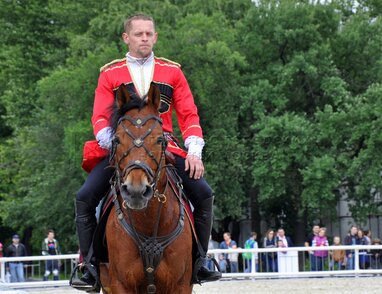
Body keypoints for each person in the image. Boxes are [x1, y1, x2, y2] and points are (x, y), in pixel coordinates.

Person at [71, 13, 221, 290]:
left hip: (163, 148)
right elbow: (100, 117)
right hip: (122, 149)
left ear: (155, 37)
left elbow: (189, 114)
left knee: (204, 193)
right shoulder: (109, 73)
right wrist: (113, 142)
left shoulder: (172, 71)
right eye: (138, 34)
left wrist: (194, 152)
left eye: (149, 34)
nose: (144, 38)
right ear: (126, 38)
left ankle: (200, 260)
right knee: (84, 197)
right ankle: (89, 266)